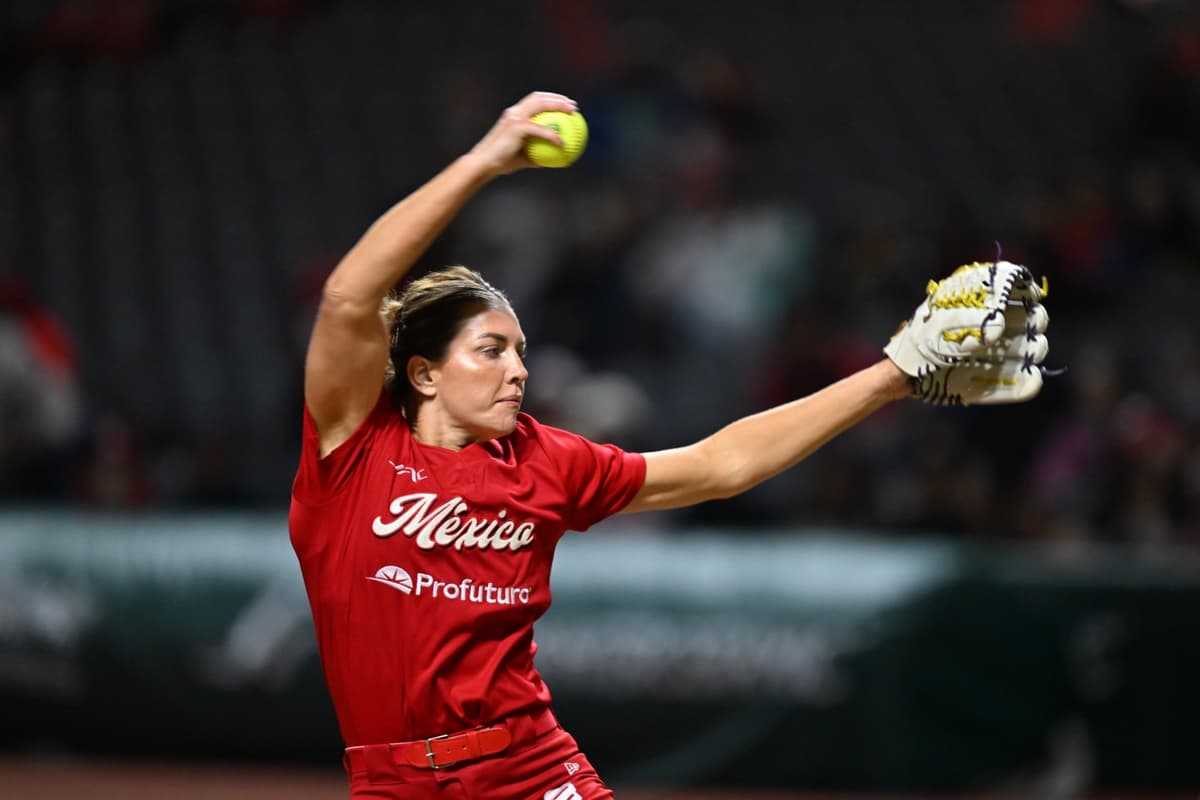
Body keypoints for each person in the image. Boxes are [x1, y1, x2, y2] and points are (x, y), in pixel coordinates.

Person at [288, 91, 1048, 799]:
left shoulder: (544, 460)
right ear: (423, 372)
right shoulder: (353, 449)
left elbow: (721, 464)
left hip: (529, 767)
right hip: (392, 782)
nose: (517, 371)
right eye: (490, 351)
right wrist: (484, 160)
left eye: (520, 352)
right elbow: (350, 298)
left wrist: (891, 376)